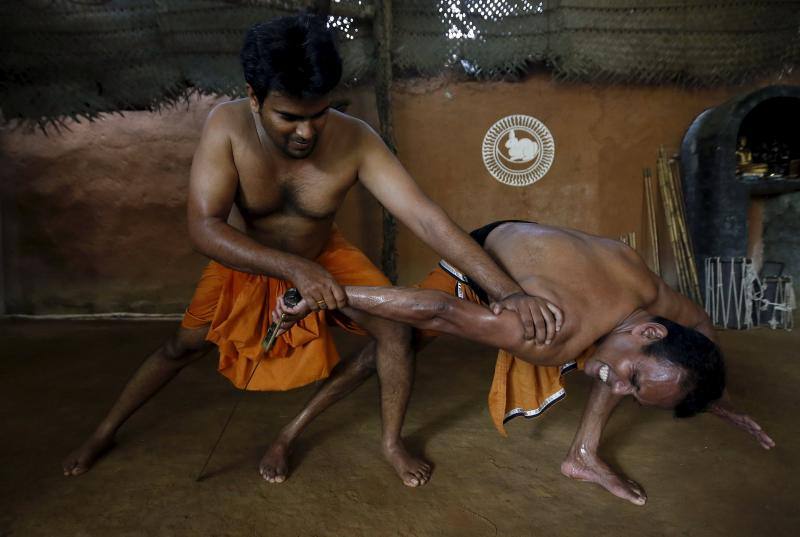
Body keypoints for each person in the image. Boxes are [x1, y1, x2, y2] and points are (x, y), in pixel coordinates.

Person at [61, 16, 561, 487]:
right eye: (289, 117)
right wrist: (296, 269)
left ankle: (388, 442)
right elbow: (204, 227)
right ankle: (104, 431)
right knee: (182, 347)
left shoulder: (355, 139)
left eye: (318, 115)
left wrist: (508, 291)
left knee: (396, 335)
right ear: (254, 97)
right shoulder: (226, 127)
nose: (306, 132)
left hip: (324, 254)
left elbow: (426, 218)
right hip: (245, 256)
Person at [270, 220, 775, 504]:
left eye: (637, 393)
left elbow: (702, 332)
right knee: (386, 350)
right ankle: (290, 433)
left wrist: (712, 396)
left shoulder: (650, 299)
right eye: (637, 380)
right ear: (650, 330)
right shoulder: (547, 333)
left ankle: (583, 456)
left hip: (541, 249)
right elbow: (442, 311)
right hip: (483, 258)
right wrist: (321, 295)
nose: (620, 388)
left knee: (609, 364)